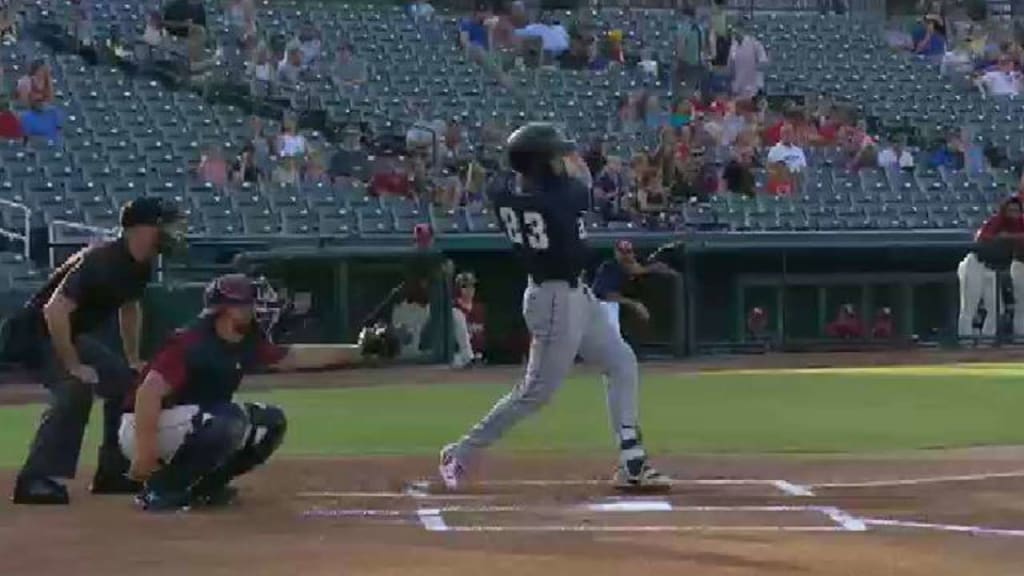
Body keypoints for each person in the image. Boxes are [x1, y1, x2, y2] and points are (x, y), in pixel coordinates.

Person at [438, 123, 670, 492]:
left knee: (621, 361)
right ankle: (461, 452)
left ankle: (632, 460)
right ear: (543, 164)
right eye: (555, 157)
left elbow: (496, 181)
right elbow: (580, 180)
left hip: (574, 294)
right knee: (536, 392)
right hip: (556, 300)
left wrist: (501, 162)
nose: (564, 161)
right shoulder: (565, 195)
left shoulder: (507, 195)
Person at [124, 274, 383, 511]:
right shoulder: (190, 343)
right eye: (246, 305)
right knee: (228, 420)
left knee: (269, 423)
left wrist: (359, 350)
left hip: (190, 422)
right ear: (223, 310)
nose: (255, 310)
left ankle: (203, 487)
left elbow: (296, 356)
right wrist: (144, 453)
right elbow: (148, 393)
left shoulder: (246, 340)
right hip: (143, 425)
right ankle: (161, 490)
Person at [7, 198, 182, 505]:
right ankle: (35, 479)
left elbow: (130, 306)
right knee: (76, 388)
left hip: (67, 333)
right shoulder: (103, 260)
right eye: (161, 225)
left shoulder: (140, 263)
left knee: (126, 382)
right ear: (139, 230)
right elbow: (54, 311)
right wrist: (73, 365)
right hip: (34, 333)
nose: (169, 232)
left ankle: (112, 471)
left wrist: (132, 359)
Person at [958, 197, 1024, 339]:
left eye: (1017, 210)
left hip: (993, 269)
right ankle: (965, 340)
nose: (1014, 213)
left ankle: (987, 341)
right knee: (970, 307)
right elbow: (982, 238)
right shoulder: (996, 221)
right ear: (1004, 211)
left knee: (996, 309)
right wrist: (1002, 237)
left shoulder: (1020, 224)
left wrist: (1010, 237)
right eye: (1011, 210)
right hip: (975, 264)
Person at [591, 240, 676, 334]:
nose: (625, 255)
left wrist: (658, 269)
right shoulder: (609, 268)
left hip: (640, 317)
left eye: (628, 251)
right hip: (606, 310)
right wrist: (635, 304)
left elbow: (658, 268)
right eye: (621, 251)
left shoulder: (642, 263)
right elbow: (606, 295)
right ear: (616, 253)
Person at [451, 271, 485, 369]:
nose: (469, 290)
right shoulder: (452, 310)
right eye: (465, 286)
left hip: (481, 357)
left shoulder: (480, 308)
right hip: (457, 356)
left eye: (472, 286)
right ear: (458, 289)